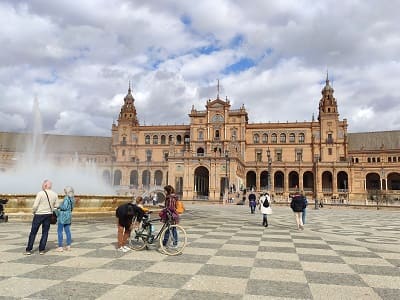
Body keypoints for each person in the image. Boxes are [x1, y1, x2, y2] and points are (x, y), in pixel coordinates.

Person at [25, 179, 58, 255]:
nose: (42, 186)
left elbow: (35, 205)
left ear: (45, 185)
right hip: (48, 215)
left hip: (39, 214)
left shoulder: (40, 193)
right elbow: (57, 206)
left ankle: (29, 250)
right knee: (45, 232)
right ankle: (42, 250)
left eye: (43, 185)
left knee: (33, 232)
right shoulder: (55, 194)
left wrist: (33, 211)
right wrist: (51, 210)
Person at [55, 186, 75, 252]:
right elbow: (71, 208)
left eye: (65, 191)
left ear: (67, 191)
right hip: (68, 216)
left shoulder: (66, 198)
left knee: (59, 231)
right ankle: (68, 246)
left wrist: (58, 206)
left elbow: (65, 207)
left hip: (63, 217)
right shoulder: (72, 199)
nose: (64, 192)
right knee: (67, 231)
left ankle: (60, 247)